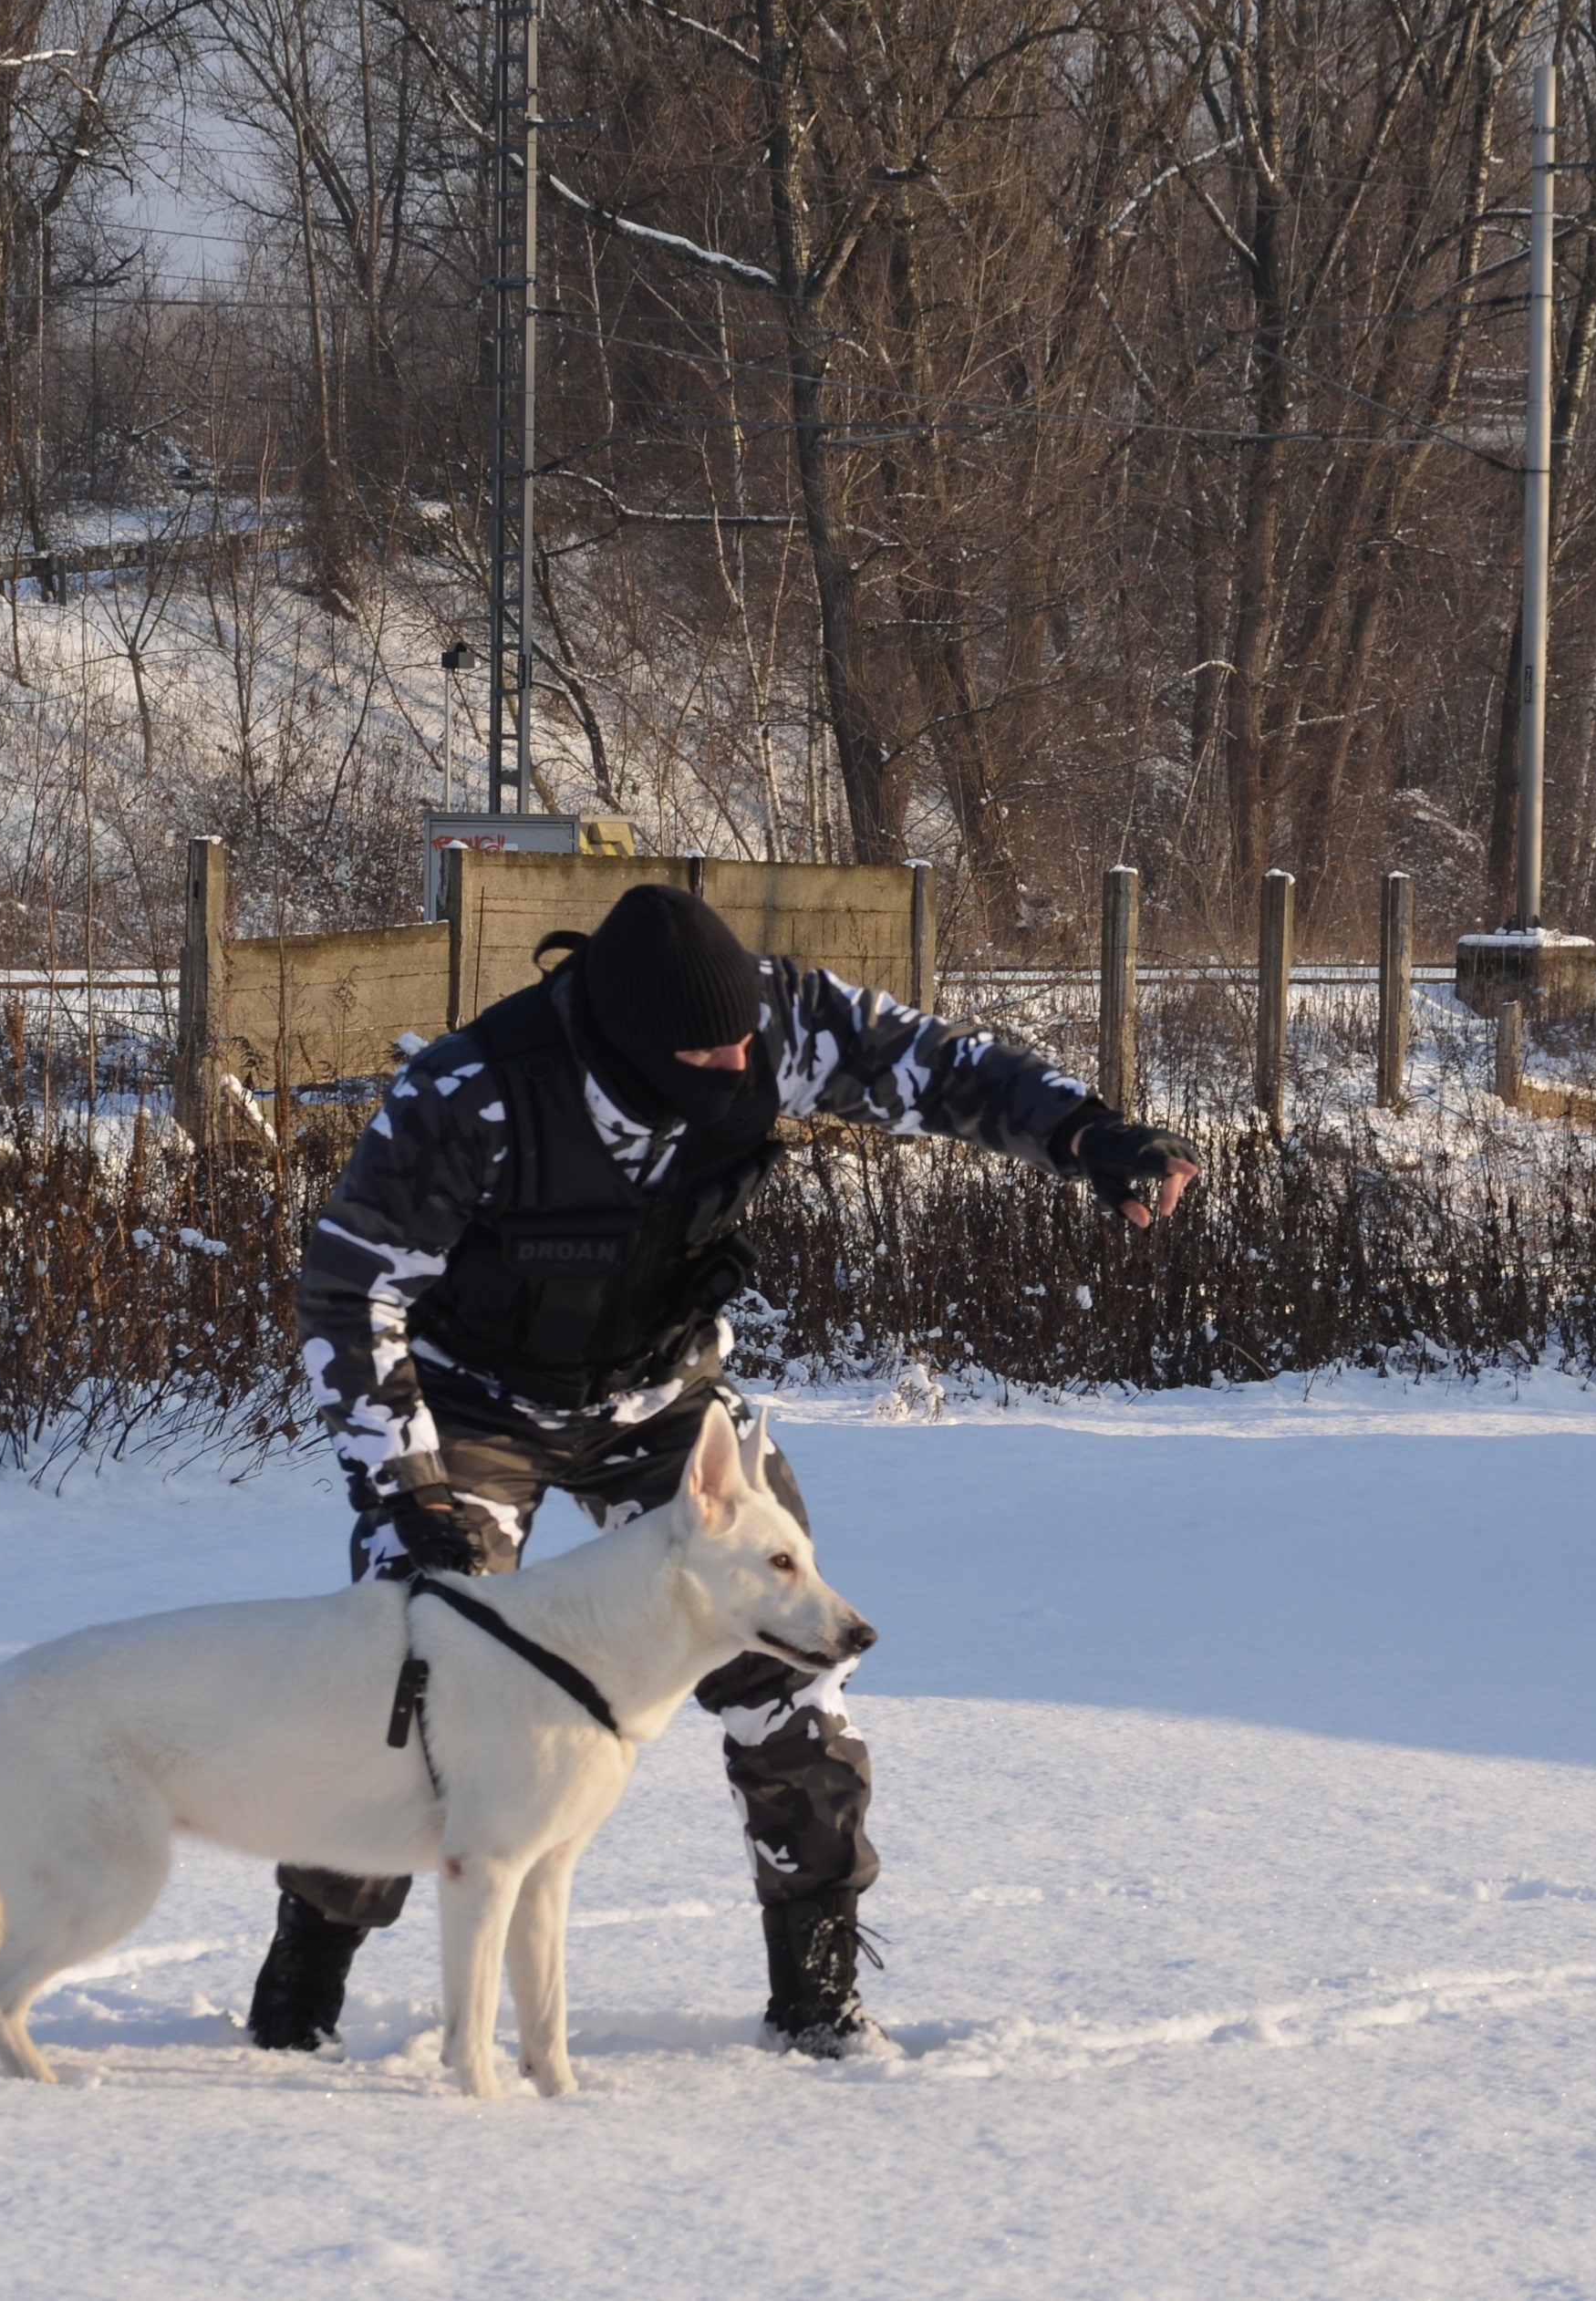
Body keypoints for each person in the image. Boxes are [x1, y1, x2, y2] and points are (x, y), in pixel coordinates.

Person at [256, 880, 1199, 2057]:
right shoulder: (475, 1090)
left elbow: (941, 1068)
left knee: (790, 1675)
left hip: (666, 1402)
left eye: (746, 1040)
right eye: (706, 1051)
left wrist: (1085, 1134)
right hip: (469, 1408)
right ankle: (305, 1981)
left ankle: (818, 1995)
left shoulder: (777, 1023)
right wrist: (409, 1488)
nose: (739, 1061)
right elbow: (355, 1294)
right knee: (413, 1686)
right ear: (625, 1038)